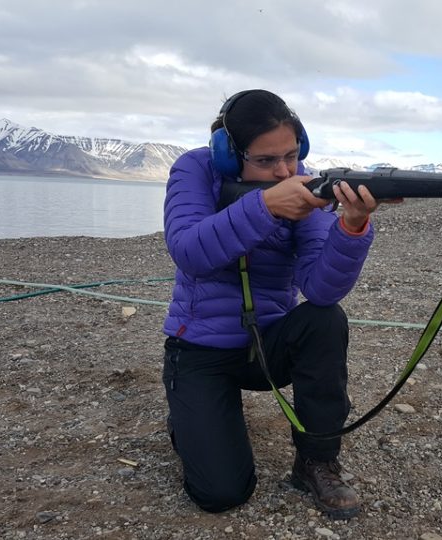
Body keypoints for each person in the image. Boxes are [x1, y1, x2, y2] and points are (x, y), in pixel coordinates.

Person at [161, 89, 380, 520]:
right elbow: (188, 251)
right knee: (221, 493)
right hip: (200, 349)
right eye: (265, 161)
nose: (284, 171)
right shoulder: (195, 169)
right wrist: (264, 206)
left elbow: (320, 290)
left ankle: (316, 461)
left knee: (325, 320)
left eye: (292, 157)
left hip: (267, 345)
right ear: (228, 156)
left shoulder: (304, 182)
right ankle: (188, 419)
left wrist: (352, 227)